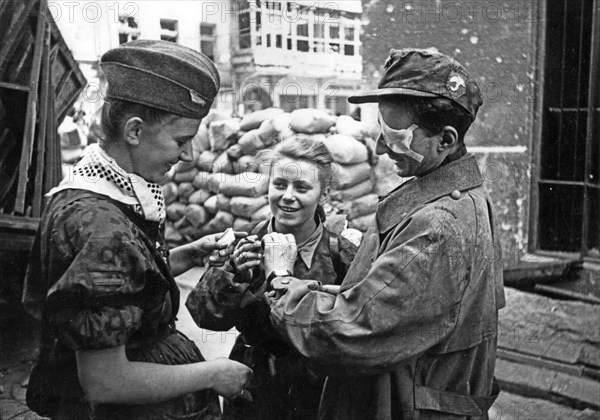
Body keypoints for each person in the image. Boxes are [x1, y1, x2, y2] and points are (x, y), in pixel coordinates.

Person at [263, 48, 506, 419]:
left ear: (445, 139)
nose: (378, 147)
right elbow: (385, 303)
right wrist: (317, 289)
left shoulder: (435, 228)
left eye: (394, 135)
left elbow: (350, 331)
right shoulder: (459, 198)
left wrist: (281, 281)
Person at [22, 40, 253, 420]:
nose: (189, 155)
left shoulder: (95, 194)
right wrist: (214, 373)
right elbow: (105, 381)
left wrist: (186, 255)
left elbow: (127, 283)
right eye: (181, 140)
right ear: (134, 131)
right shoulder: (100, 227)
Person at [185, 136, 358, 420]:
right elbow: (203, 317)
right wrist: (233, 277)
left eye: (302, 187)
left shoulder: (342, 255)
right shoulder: (246, 241)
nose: (288, 195)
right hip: (254, 383)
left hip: (319, 391)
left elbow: (355, 331)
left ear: (324, 195)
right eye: (279, 184)